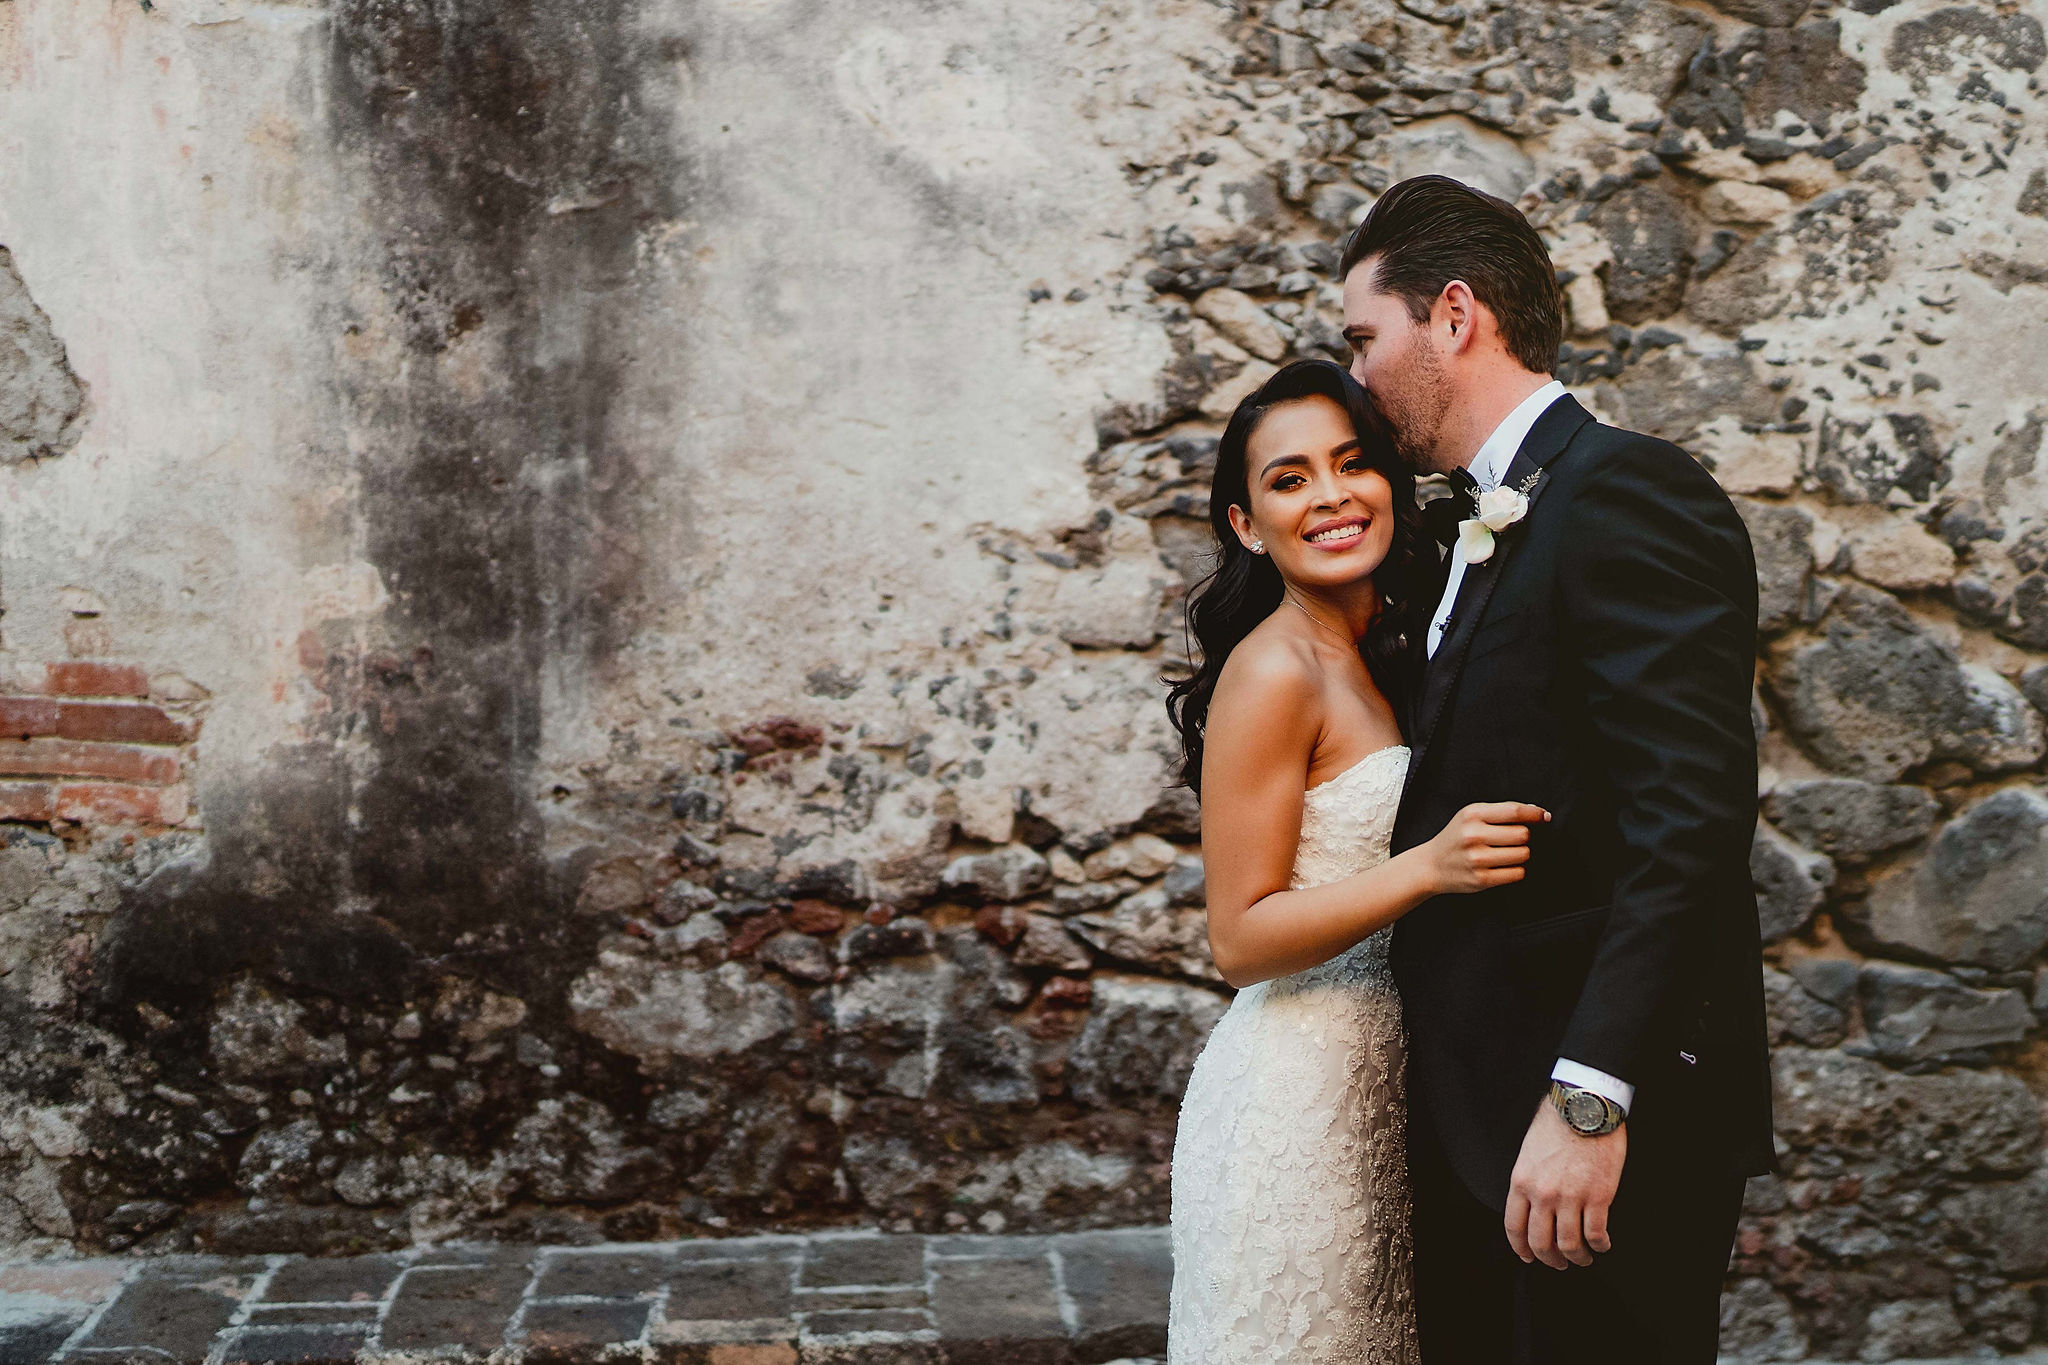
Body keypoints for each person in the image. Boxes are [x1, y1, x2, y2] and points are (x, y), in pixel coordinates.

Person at [1342, 175, 1772, 1363]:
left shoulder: (1628, 491)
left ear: (1454, 315)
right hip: (1473, 1104)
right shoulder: (1471, 523)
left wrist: (1590, 1097)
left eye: (1363, 338)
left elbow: (1687, 821)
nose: (1356, 376)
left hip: (1581, 1120)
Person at [1163, 357, 1550, 1363]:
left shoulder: (1399, 646)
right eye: (1288, 480)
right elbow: (1240, 939)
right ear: (1246, 526)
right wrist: (1424, 869)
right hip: (1293, 1110)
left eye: (1349, 465)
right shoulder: (1272, 672)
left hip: (1396, 1098)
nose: (1329, 496)